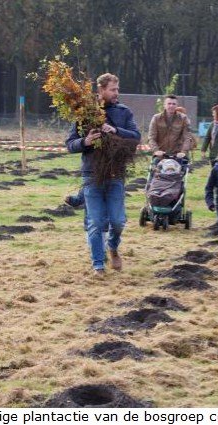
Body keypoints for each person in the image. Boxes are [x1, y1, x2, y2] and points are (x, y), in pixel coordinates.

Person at [65, 73, 141, 276]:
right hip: (91, 175)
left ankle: (113, 246)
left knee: (117, 221)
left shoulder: (124, 113)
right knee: (96, 222)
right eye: (113, 89)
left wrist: (115, 130)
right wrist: (85, 142)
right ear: (101, 90)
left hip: (115, 174)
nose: (117, 93)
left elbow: (136, 137)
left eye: (117, 89)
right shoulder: (85, 114)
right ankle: (98, 264)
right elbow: (70, 144)